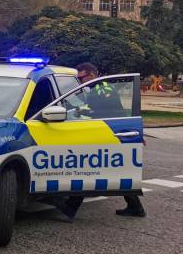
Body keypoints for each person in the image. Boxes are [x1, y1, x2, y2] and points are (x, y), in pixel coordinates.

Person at [58, 62, 146, 219]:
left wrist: (74, 113)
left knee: (87, 169)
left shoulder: (99, 89)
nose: (80, 81)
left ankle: (70, 208)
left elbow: (94, 110)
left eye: (81, 77)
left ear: (91, 75)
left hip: (104, 132)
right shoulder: (103, 87)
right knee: (117, 171)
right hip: (112, 131)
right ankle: (135, 207)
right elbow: (107, 109)